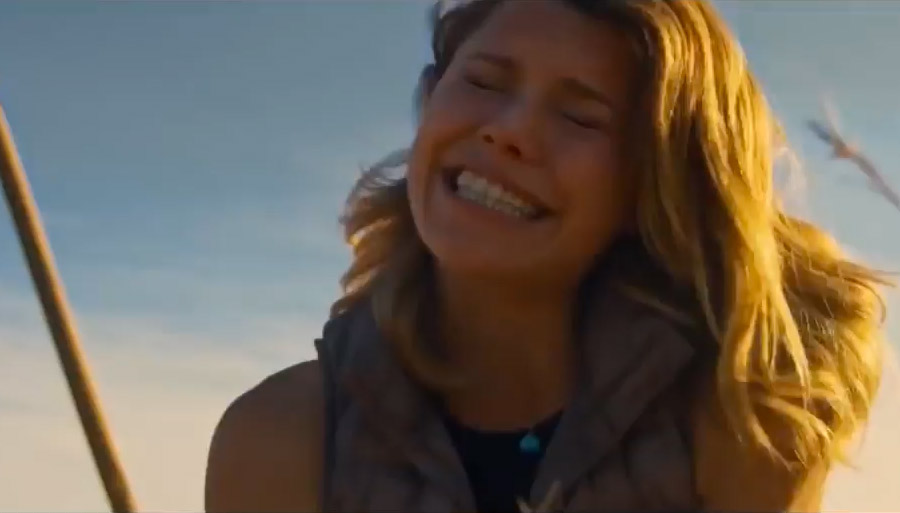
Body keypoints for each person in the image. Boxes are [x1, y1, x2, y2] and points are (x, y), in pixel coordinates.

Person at [204, 0, 891, 511]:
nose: (509, 132)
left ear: (653, 184)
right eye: (484, 81)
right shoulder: (284, 436)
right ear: (431, 100)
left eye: (580, 117)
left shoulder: (744, 413)